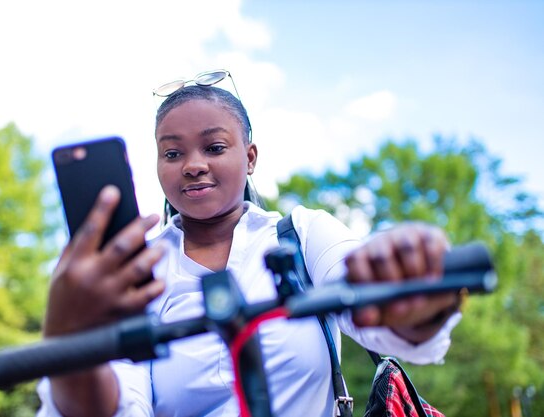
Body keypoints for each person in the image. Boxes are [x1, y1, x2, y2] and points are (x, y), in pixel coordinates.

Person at [36, 72, 462, 417]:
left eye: (215, 146)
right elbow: (111, 406)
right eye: (172, 154)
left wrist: (409, 283)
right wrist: (68, 336)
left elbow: (374, 304)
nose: (193, 165)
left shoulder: (304, 234)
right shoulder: (138, 268)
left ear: (251, 157)